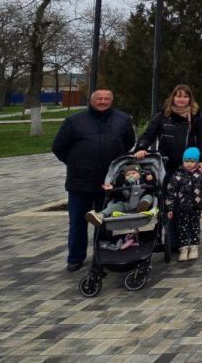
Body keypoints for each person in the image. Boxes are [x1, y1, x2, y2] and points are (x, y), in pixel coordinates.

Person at [51, 87, 135, 271]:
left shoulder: (122, 120)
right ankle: (75, 257)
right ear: (91, 100)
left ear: (111, 100)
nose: (103, 101)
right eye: (99, 98)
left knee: (106, 220)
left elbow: (128, 143)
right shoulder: (74, 121)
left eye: (106, 98)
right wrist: (75, 162)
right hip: (80, 181)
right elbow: (58, 147)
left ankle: (103, 253)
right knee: (78, 222)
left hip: (109, 181)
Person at [134, 84, 202, 181]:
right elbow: (148, 135)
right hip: (166, 163)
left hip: (190, 164)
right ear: (173, 97)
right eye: (178, 96)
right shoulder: (161, 116)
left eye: (185, 96)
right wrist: (141, 148)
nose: (182, 99)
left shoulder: (197, 117)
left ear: (190, 99)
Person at [164, 148, 202, 262]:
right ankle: (184, 248)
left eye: (192, 161)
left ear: (196, 162)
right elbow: (170, 192)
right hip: (180, 208)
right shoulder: (177, 175)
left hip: (196, 207)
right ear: (183, 161)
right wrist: (170, 208)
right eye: (186, 161)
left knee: (194, 227)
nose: (189, 164)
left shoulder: (200, 176)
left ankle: (194, 247)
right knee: (182, 228)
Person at [84, 164, 155, 225]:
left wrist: (151, 180)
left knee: (148, 197)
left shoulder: (145, 181)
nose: (130, 176)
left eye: (133, 173)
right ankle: (100, 215)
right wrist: (112, 188)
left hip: (140, 201)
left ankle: (143, 206)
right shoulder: (122, 183)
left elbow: (153, 188)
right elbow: (117, 194)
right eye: (127, 175)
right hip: (125, 205)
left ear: (140, 174)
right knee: (115, 206)